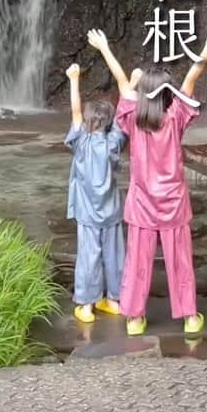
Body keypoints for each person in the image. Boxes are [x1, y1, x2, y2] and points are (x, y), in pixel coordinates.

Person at [87, 26, 207, 338]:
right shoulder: (176, 116)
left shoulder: (132, 117)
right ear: (169, 94)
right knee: (180, 260)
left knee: (137, 260)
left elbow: (123, 81)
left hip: (141, 204)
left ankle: (135, 318)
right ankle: (190, 317)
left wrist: (105, 48)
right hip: (174, 203)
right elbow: (192, 78)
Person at [65, 62, 127, 324]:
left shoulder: (81, 141)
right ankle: (114, 299)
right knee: (114, 254)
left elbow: (76, 111)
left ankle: (87, 305)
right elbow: (125, 114)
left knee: (89, 255)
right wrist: (130, 85)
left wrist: (74, 79)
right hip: (111, 211)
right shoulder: (114, 142)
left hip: (87, 213)